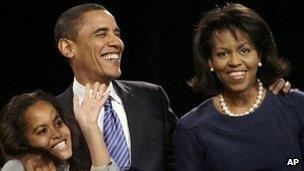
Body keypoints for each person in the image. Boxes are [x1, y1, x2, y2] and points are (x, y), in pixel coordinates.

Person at [174, 3, 304, 170]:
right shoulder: (192, 128)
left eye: (244, 51)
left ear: (260, 55)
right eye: (223, 54)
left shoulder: (295, 107)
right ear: (210, 62)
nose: (235, 62)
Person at [54, 3, 177, 170]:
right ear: (67, 48)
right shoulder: (53, 114)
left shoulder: (152, 96)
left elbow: (178, 160)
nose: (117, 42)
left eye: (117, 34)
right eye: (101, 34)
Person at [0, 83, 119, 170]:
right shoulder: (17, 166)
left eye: (58, 123)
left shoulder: (70, 165)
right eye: (42, 131)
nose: (57, 134)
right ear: (22, 143)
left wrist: (90, 126)